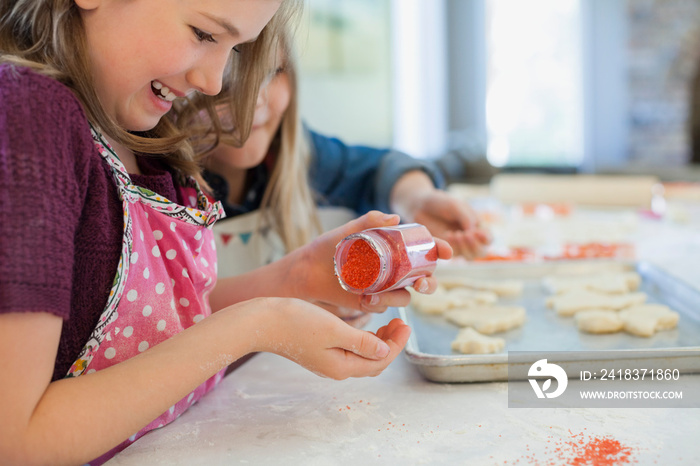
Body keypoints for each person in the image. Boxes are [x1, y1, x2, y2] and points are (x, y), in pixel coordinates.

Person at [0, 1, 452, 464]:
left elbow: (160, 325)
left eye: (238, 49)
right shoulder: (29, 118)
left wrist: (296, 278)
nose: (214, 83)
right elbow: (15, 439)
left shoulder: (146, 131)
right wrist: (256, 326)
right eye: (203, 34)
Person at [195, 26, 491, 276]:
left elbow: (375, 168)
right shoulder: (157, 185)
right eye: (227, 86)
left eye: (273, 73)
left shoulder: (294, 153)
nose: (256, 103)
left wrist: (417, 200)